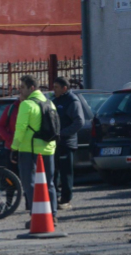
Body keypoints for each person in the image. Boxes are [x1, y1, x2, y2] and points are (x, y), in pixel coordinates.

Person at [11, 75, 58, 228]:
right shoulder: (50, 103)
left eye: (22, 87)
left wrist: (14, 148)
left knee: (30, 183)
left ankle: (37, 215)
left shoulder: (27, 105)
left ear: (31, 88)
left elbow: (20, 129)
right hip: (48, 148)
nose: (20, 91)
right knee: (49, 183)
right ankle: (53, 215)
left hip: (29, 149)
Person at [52, 76, 85, 210]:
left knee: (66, 173)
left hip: (66, 143)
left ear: (64, 88)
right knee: (54, 172)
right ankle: (55, 198)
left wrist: (63, 133)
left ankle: (66, 200)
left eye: (56, 87)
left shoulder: (72, 101)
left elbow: (79, 122)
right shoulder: (56, 100)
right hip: (55, 143)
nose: (53, 90)